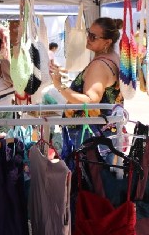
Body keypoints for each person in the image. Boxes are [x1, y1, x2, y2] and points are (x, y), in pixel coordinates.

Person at [50, 17, 124, 153]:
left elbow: (91, 101)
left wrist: (60, 86)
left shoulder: (99, 65)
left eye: (93, 37)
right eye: (89, 33)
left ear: (107, 42)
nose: (88, 38)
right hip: (103, 134)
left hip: (89, 137)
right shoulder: (113, 58)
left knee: (88, 167)